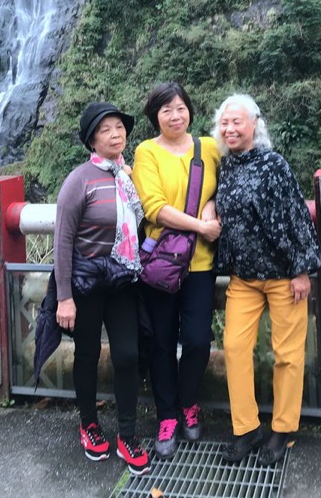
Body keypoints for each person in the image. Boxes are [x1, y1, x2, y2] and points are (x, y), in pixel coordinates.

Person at [212, 94, 321, 466]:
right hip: (243, 277)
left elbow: (296, 215)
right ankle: (246, 427)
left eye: (236, 122)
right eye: (224, 123)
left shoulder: (274, 164)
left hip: (283, 276)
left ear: (254, 124)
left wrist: (301, 270)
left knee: (287, 355)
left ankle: (282, 428)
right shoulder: (226, 166)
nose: (230, 129)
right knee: (234, 348)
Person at [54, 101, 150, 475]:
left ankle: (127, 434)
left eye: (119, 127)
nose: (115, 134)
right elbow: (63, 240)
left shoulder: (128, 177)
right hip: (87, 284)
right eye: (105, 130)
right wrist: (64, 297)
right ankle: (89, 424)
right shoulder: (79, 180)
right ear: (92, 141)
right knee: (87, 354)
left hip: (122, 280)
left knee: (127, 354)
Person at [132, 82, 221, 459]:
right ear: (155, 116)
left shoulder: (210, 147)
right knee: (162, 343)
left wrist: (213, 203)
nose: (174, 116)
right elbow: (154, 207)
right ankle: (167, 416)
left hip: (200, 264)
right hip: (161, 265)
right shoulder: (146, 151)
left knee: (198, 340)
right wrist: (201, 226)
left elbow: (229, 183)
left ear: (190, 111)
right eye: (166, 110)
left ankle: (188, 403)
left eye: (180, 108)